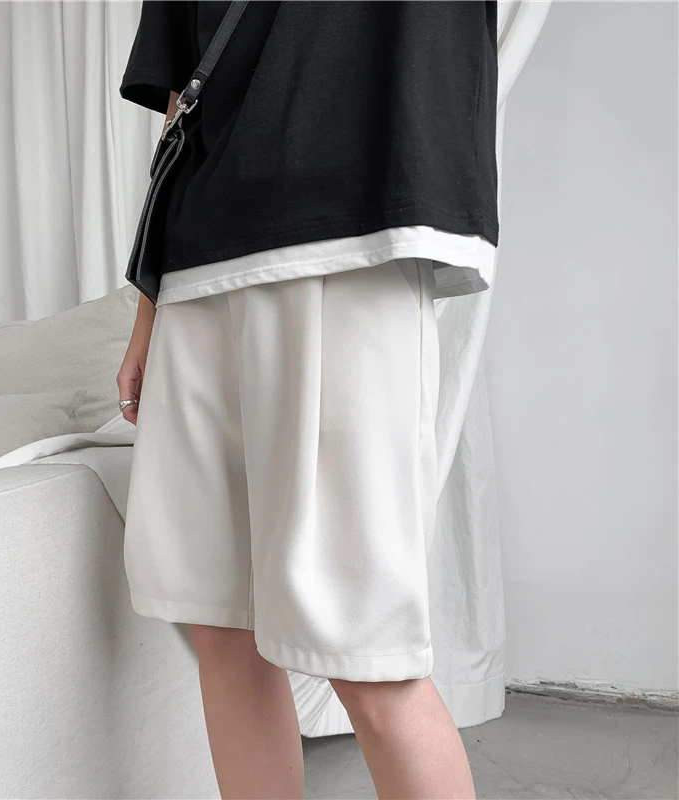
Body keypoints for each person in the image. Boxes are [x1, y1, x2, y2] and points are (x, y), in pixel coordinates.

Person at [117, 2, 498, 797]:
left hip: (353, 236)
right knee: (219, 625)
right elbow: (185, 88)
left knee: (370, 655)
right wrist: (149, 307)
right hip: (197, 264)